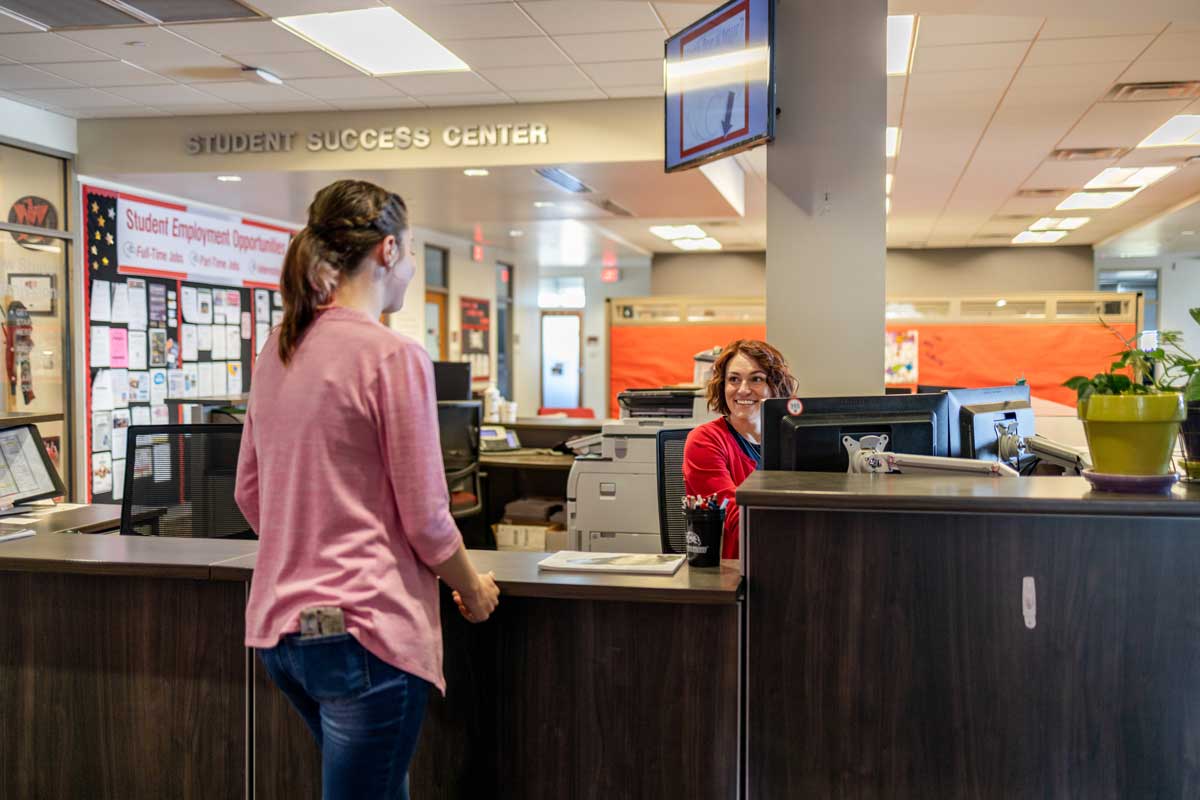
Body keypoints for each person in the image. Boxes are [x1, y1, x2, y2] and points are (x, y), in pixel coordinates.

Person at [235, 179, 500, 800]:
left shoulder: (278, 348)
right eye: (409, 252)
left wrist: (308, 543)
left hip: (284, 633)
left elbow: (251, 491)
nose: (409, 268)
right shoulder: (390, 355)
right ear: (386, 252)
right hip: (363, 632)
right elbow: (429, 518)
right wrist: (472, 587)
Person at [683, 339, 798, 559]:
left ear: (775, 387)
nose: (743, 390)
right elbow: (737, 520)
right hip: (737, 569)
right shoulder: (705, 441)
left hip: (792, 556)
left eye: (756, 379)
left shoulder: (792, 437)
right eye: (734, 379)